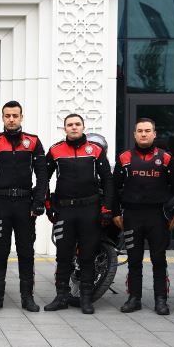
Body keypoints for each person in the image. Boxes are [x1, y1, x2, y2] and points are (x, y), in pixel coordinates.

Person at [0, 100, 47, 313]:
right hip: (1, 205)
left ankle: (27, 298)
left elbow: (42, 174)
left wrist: (38, 202)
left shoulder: (33, 142)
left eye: (15, 116)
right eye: (7, 116)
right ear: (3, 118)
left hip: (25, 205)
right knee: (0, 252)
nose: (11, 119)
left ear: (21, 117)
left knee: (26, 252)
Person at [44, 114, 113, 315]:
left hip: (89, 210)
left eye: (77, 124)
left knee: (87, 255)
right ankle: (61, 296)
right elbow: (43, 179)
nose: (74, 127)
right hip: (64, 210)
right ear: (64, 128)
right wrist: (48, 205)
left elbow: (108, 180)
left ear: (83, 127)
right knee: (63, 255)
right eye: (70, 125)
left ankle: (86, 298)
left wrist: (107, 208)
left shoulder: (96, 150)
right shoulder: (55, 150)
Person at [112, 118, 174, 315]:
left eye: (147, 130)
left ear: (154, 134)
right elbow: (114, 188)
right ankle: (134, 298)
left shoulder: (166, 158)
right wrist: (115, 213)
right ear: (134, 134)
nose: (143, 134)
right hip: (132, 215)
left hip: (158, 216)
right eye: (140, 131)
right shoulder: (124, 157)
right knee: (134, 259)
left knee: (159, 259)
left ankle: (161, 300)